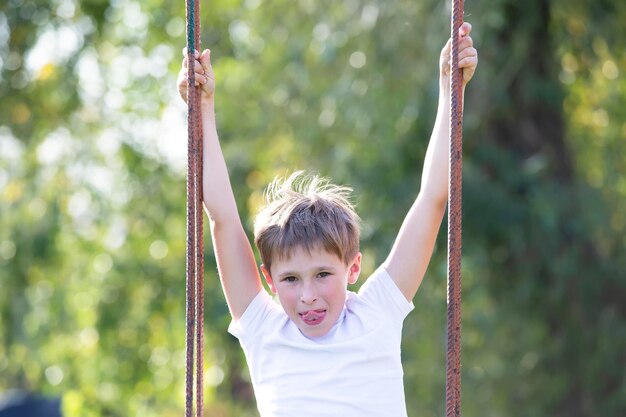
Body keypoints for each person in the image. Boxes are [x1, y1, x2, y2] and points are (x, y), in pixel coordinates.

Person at [177, 22, 477, 417]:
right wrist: (203, 112)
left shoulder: (376, 314)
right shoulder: (265, 331)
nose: (307, 297)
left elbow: (433, 198)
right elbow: (222, 217)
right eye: (290, 279)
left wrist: (448, 89)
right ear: (268, 278)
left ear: (353, 267)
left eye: (322, 274)